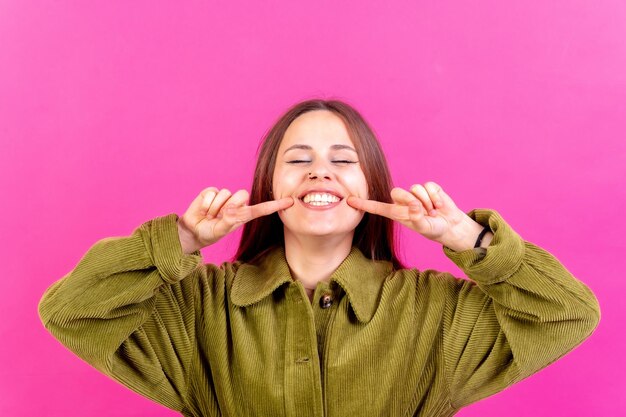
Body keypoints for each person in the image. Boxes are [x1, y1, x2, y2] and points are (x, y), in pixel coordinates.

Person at [39, 99, 600, 417]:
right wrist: (181, 240)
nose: (319, 171)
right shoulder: (200, 307)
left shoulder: (435, 312)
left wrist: (466, 238)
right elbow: (70, 312)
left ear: (373, 185)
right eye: (298, 159)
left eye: (342, 160)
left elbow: (570, 313)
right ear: (268, 185)